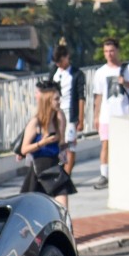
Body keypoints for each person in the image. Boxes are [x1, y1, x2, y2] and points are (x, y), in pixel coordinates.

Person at [91, 37, 129, 189]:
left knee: (126, 143)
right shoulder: (100, 72)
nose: (109, 54)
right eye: (106, 51)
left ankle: (126, 171)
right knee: (105, 145)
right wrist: (96, 115)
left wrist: (126, 83)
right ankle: (104, 175)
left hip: (124, 112)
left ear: (117, 51)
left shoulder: (128, 68)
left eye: (112, 51)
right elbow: (98, 95)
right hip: (107, 115)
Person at [20, 79, 76, 213]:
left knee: (63, 209)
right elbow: (24, 149)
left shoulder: (57, 120)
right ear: (48, 101)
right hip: (39, 170)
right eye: (56, 99)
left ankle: (65, 232)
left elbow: (60, 143)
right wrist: (42, 143)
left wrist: (65, 146)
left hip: (55, 168)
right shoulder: (35, 123)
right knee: (34, 212)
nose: (59, 102)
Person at [48, 44, 85, 180]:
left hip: (70, 114)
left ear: (67, 57)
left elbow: (81, 97)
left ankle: (67, 176)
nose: (59, 64)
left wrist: (80, 119)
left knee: (70, 145)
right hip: (55, 115)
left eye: (60, 61)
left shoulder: (76, 74)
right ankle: (59, 173)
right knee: (58, 144)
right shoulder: (54, 72)